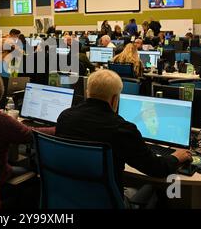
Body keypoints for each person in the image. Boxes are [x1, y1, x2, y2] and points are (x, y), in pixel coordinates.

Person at [55, 69, 192, 202]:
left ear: (87, 92)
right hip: (106, 203)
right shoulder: (122, 129)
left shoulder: (65, 117)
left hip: (66, 197)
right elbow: (156, 169)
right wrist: (176, 157)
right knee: (158, 192)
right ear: (115, 99)